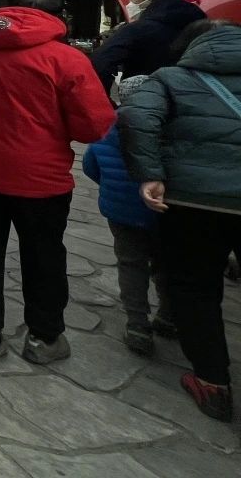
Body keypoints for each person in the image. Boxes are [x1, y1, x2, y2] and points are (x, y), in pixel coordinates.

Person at [0, 0, 114, 370]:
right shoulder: (66, 59)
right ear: (59, 15)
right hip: (40, 180)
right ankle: (44, 336)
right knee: (43, 256)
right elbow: (94, 126)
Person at [119, 20, 241, 422]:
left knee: (194, 286)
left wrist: (150, 174)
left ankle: (212, 381)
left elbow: (136, 117)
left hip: (194, 200)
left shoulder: (171, 78)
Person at [82, 75, 173, 356]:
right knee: (166, 262)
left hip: (121, 211)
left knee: (131, 264)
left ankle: (137, 324)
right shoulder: (169, 128)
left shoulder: (109, 126)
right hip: (163, 211)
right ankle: (168, 315)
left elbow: (90, 165)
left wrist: (111, 187)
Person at [90, 0, 205, 93]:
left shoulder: (137, 29)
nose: (130, 4)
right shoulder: (202, 27)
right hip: (194, 94)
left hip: (145, 95)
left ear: (151, 1)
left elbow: (101, 61)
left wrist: (107, 95)